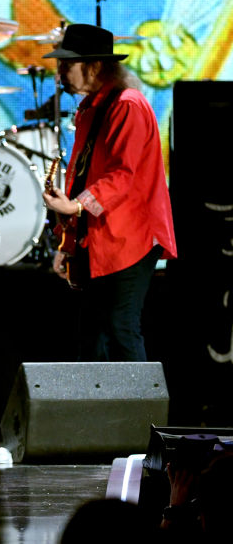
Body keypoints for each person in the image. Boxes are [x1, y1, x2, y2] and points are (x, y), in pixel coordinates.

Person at [41, 23, 176, 361]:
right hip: (103, 236)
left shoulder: (127, 105)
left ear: (95, 65)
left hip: (132, 236)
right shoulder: (92, 108)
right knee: (95, 335)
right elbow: (87, 176)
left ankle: (143, 413)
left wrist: (75, 207)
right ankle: (103, 413)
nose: (60, 72)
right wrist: (67, 240)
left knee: (120, 327)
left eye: (66, 65)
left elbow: (124, 175)